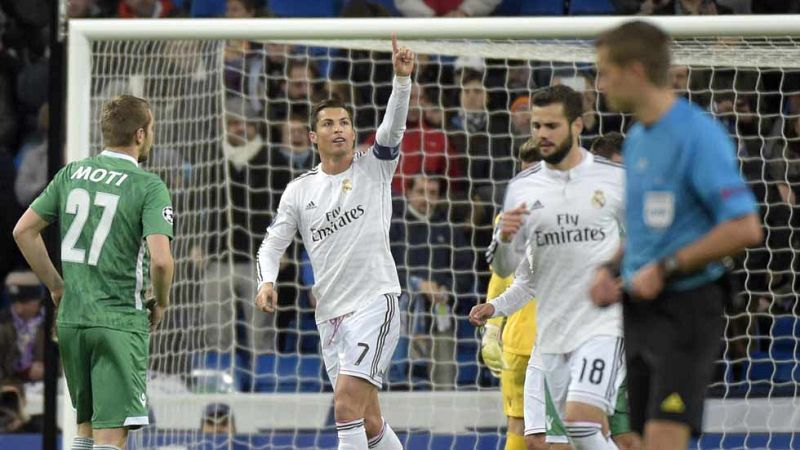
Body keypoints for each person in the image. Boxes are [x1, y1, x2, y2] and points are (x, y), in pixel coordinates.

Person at [591, 20, 762, 450]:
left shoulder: (697, 134)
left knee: (666, 437)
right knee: (638, 439)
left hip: (687, 304)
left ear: (634, 71)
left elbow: (744, 227)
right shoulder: (637, 139)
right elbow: (646, 230)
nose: (600, 83)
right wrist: (609, 268)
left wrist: (666, 267)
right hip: (639, 306)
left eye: (605, 71)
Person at [254, 35, 414, 450]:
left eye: (344, 122)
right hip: (330, 315)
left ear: (352, 130)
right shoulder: (299, 190)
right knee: (370, 420)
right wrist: (266, 281)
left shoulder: (374, 167)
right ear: (313, 137)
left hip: (375, 301)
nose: (338, 129)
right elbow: (272, 244)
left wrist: (401, 80)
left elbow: (393, 127)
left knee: (345, 407)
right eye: (328, 123)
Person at [13, 95, 175, 450]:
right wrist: (161, 301)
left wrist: (57, 286)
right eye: (152, 129)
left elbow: (23, 231)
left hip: (72, 320)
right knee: (111, 437)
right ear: (139, 134)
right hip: (117, 320)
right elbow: (162, 261)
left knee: (84, 428)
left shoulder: (72, 173)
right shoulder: (148, 186)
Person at [472, 85, 626, 450]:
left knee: (585, 424)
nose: (542, 134)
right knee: (555, 442)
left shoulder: (612, 181)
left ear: (577, 126)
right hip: (549, 339)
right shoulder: (523, 190)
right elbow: (520, 274)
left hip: (601, 328)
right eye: (537, 125)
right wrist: (496, 303)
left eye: (551, 125)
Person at [481, 138, 540, 450]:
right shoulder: (509, 219)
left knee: (524, 426)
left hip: (538, 339)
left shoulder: (511, 215)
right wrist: (492, 329)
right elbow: (501, 275)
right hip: (525, 340)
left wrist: (492, 330)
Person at [0, 271, 45, 382]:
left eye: (25, 302)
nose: (18, 306)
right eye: (15, 302)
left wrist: (46, 367)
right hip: (9, 385)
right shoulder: (3, 324)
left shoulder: (48, 324)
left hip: (42, 386)